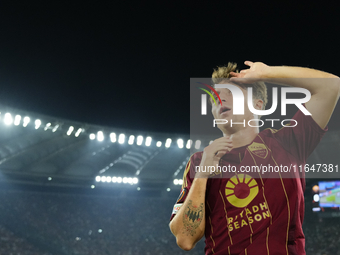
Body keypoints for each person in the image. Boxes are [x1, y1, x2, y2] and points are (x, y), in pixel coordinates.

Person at [169, 61, 340, 255]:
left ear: (258, 104)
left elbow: (331, 86)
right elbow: (185, 239)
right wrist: (202, 174)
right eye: (214, 98)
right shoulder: (200, 161)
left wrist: (267, 73)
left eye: (230, 93)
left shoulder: (288, 143)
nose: (219, 100)